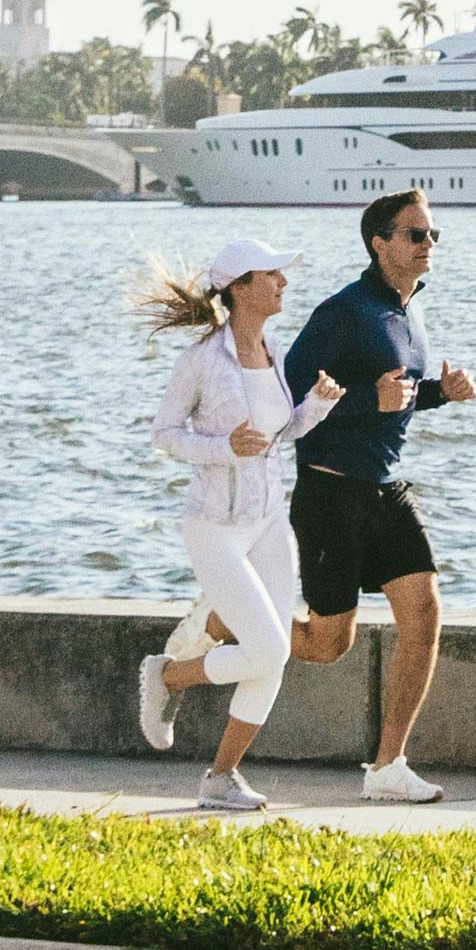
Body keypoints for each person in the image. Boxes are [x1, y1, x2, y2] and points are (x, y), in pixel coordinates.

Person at [282, 187, 476, 803]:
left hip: (386, 490)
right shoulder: (344, 310)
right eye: (416, 235)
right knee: (325, 644)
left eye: (433, 236)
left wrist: (440, 392)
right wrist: (370, 399)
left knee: (424, 612)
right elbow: (291, 393)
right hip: (330, 492)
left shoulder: (409, 312)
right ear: (380, 242)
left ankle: (388, 766)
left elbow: (401, 391)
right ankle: (224, 617)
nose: (428, 246)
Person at [133, 239, 340, 812]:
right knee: (267, 650)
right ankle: (171, 676)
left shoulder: (272, 349)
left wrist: (316, 408)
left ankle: (220, 779)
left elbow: (276, 435)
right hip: (215, 526)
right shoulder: (201, 360)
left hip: (270, 519)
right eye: (273, 275)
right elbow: (166, 434)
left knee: (273, 655)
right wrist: (223, 447)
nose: (284, 284)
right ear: (242, 287)